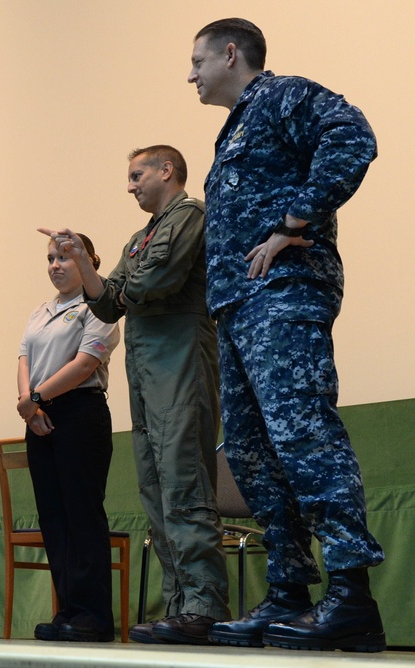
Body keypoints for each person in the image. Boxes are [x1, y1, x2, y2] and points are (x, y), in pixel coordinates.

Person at [187, 18, 385, 652]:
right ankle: (289, 593)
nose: (189, 75)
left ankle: (351, 596)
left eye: (197, 61)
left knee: (302, 433)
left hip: (284, 296)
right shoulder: (238, 126)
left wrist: (296, 218)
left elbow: (353, 138)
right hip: (240, 308)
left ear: (231, 53)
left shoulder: (284, 95)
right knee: (249, 450)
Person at [49, 146, 231, 644]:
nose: (129, 186)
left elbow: (155, 280)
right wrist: (84, 260)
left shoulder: (189, 214)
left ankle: (204, 605)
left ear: (166, 171)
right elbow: (107, 305)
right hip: (147, 372)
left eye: (137, 175)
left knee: (184, 484)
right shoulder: (138, 237)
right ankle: (178, 605)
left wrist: (121, 289)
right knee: (155, 487)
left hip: (181, 363)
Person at [17, 233, 120, 642]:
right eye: (50, 258)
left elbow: (83, 365)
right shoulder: (41, 311)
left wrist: (36, 397)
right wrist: (29, 404)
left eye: (64, 256)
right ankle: (68, 611)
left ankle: (94, 616)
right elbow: (23, 356)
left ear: (88, 260)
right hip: (39, 416)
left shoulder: (100, 305)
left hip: (81, 412)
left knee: (82, 514)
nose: (56, 265)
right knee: (53, 518)